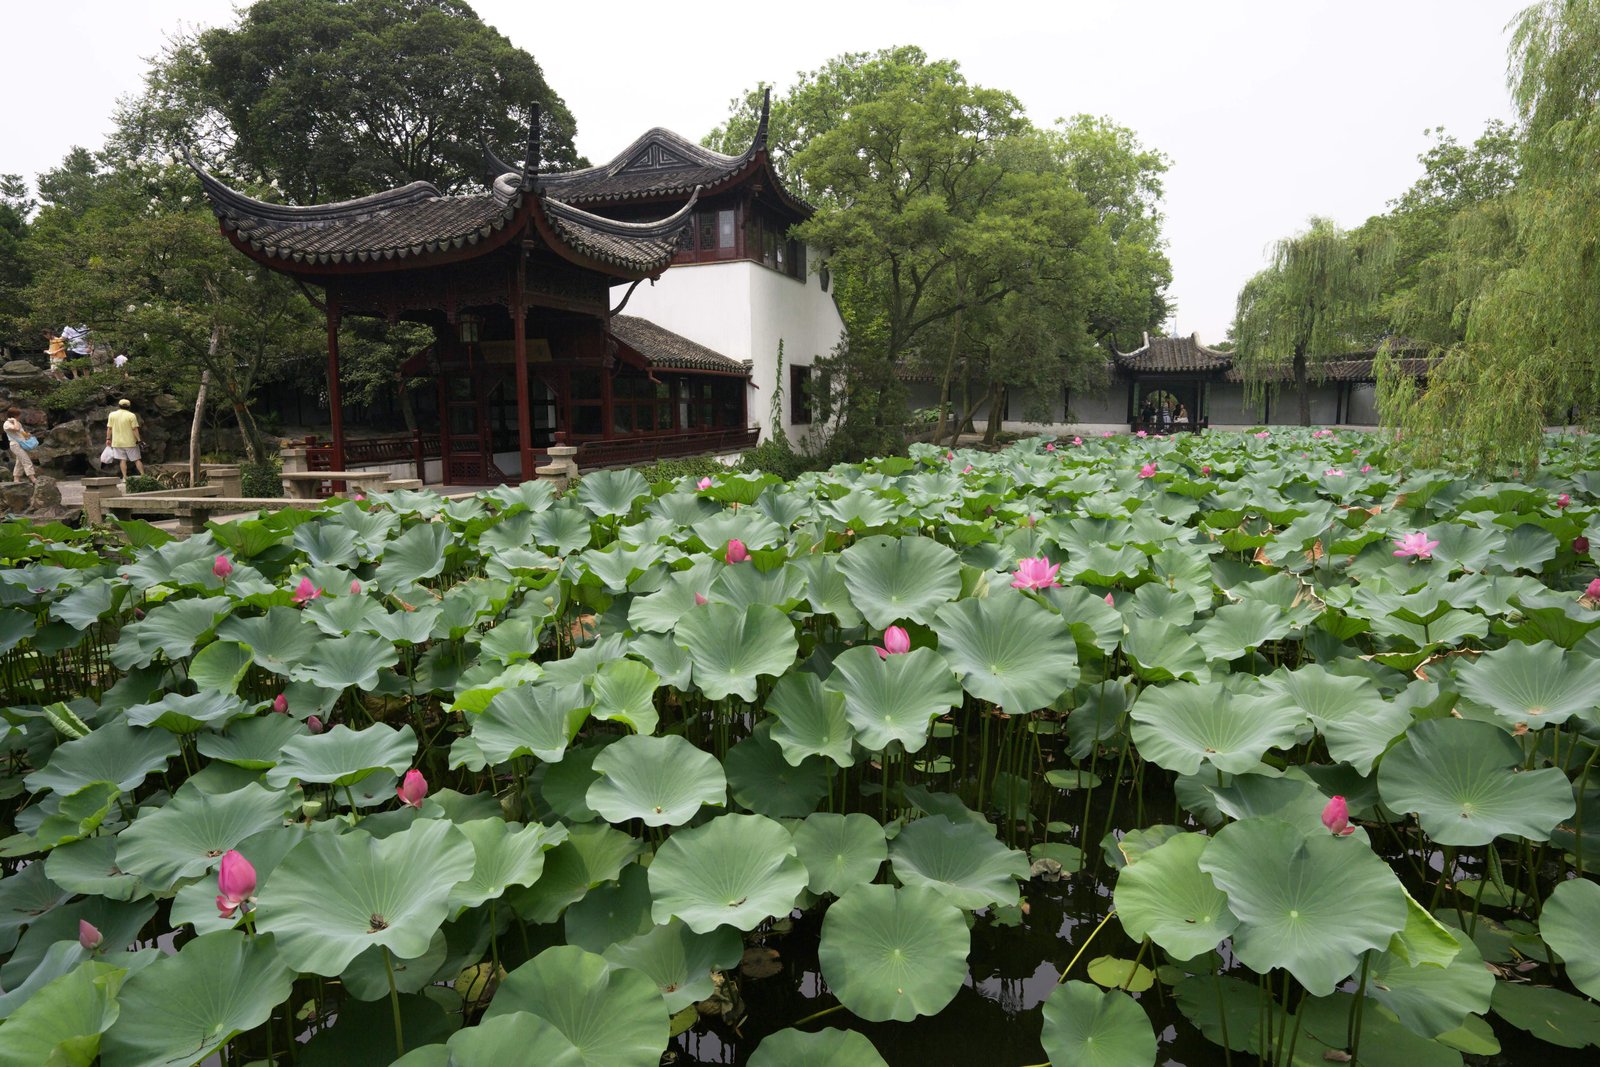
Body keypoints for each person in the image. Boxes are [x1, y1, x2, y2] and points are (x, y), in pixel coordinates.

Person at [105, 399, 146, 480]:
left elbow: (109, 428)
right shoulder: (131, 415)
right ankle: (143, 476)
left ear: (119, 406)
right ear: (129, 407)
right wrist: (139, 440)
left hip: (117, 442)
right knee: (137, 459)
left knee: (122, 460)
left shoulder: (112, 415)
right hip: (130, 442)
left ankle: (125, 477)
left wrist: (108, 439)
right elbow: (134, 429)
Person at [4, 408, 38, 485]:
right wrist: (15, 421)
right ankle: (32, 478)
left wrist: (27, 435)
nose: (19, 417)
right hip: (15, 445)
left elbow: (22, 433)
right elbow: (16, 429)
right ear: (14, 415)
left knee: (19, 462)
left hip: (22, 444)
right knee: (26, 460)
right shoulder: (7, 424)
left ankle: (16, 479)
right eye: (18, 415)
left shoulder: (18, 423)